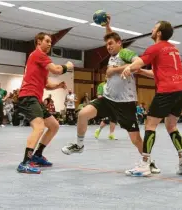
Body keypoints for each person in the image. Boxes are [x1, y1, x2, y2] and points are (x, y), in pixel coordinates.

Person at [61, 15, 160, 174]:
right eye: (106, 44)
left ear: (120, 43)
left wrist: (115, 70)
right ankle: (79, 145)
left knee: (135, 139)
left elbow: (137, 62)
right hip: (107, 99)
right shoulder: (114, 54)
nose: (108, 46)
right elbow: (112, 38)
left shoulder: (125, 53)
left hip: (125, 103)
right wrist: (108, 26)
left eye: (111, 44)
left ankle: (149, 162)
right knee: (82, 114)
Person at [121, 20, 182, 176]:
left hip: (167, 92)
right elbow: (160, 73)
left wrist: (129, 68)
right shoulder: (174, 49)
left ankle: (144, 165)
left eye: (154, 28)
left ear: (159, 33)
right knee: (171, 125)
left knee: (150, 125)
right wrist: (141, 72)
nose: (151, 30)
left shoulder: (155, 48)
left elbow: (139, 61)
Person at [16, 32, 73, 174]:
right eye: (47, 41)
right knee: (39, 127)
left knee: (54, 126)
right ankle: (25, 162)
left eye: (50, 42)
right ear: (38, 42)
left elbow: (46, 84)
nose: (50, 44)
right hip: (28, 96)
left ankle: (37, 155)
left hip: (36, 98)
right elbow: (57, 70)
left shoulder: (40, 61)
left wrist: (58, 86)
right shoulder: (38, 54)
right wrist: (67, 66)